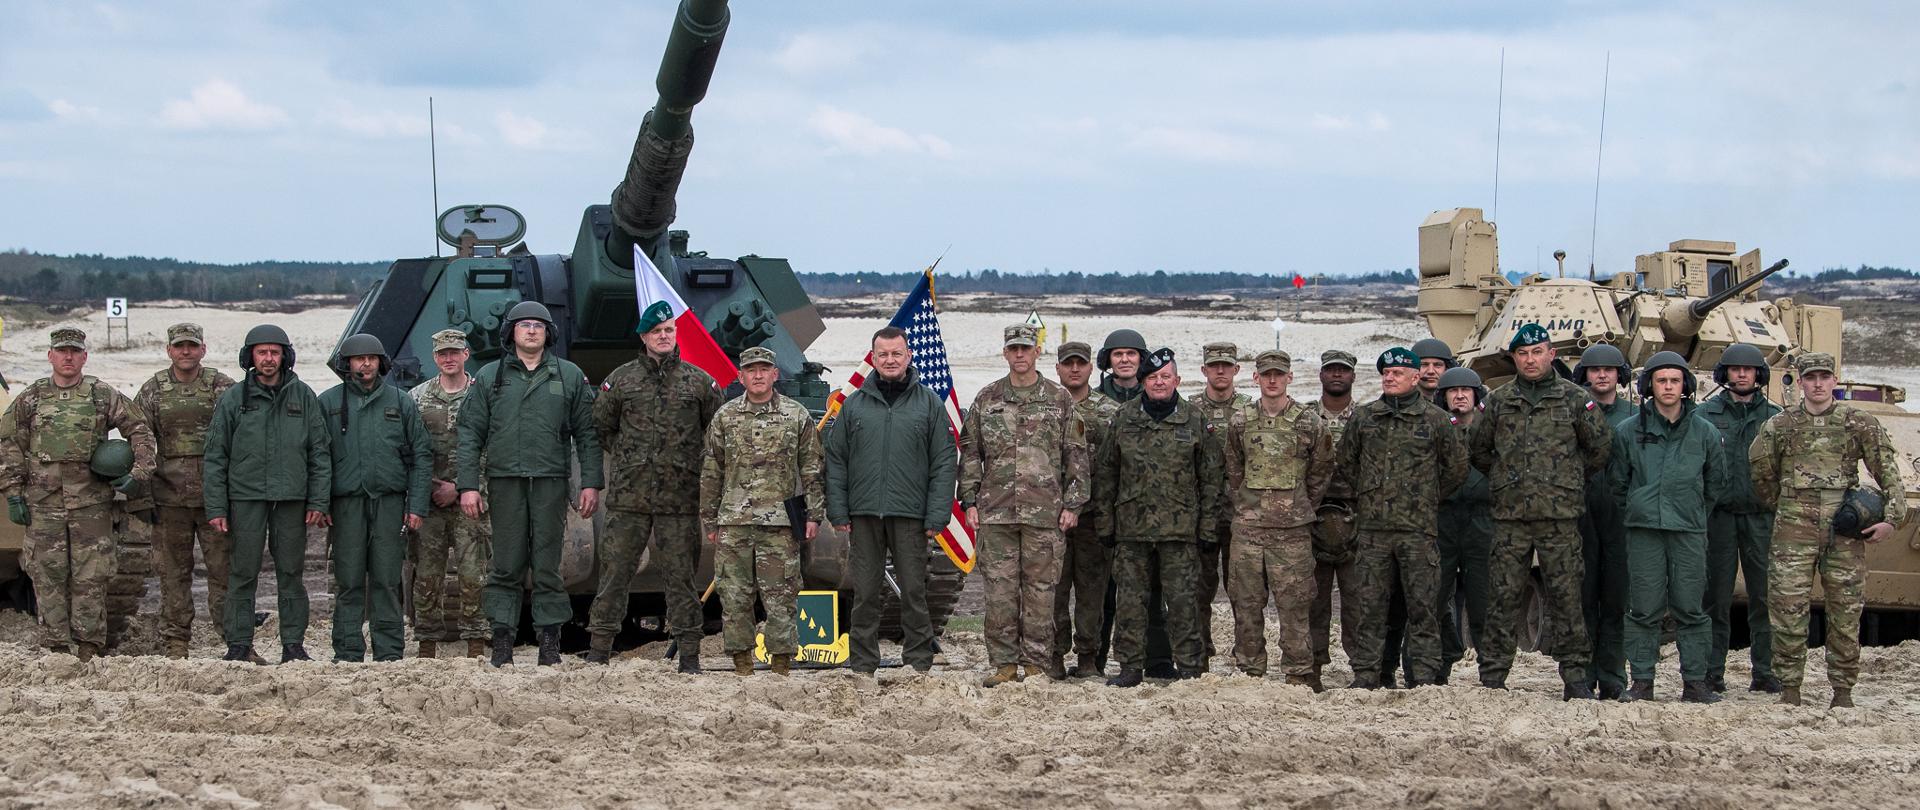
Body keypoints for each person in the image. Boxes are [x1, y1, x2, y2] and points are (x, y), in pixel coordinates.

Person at [1749, 352, 1906, 708]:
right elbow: (1760, 472)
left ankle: (1843, 691)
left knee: (1846, 612)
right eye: (1810, 377)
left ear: (1834, 380)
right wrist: (1787, 506)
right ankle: (1789, 689)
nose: (1818, 384)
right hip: (1794, 525)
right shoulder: (1780, 426)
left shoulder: (1858, 422)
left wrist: (1892, 518)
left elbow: (1887, 470)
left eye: (1824, 377)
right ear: (1800, 382)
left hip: (1845, 529)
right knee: (1787, 609)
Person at [1469, 323, 1613, 698]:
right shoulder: (1499, 401)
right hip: (1511, 518)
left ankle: (1576, 677)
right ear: (1514, 358)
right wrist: (1509, 478)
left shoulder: (1574, 400)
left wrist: (1563, 477)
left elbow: (1598, 449)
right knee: (1502, 596)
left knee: (1567, 597)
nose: (1530, 360)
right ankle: (1493, 675)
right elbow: (1480, 450)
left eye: (1537, 352)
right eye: (1522, 354)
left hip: (1560, 517)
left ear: (1551, 355)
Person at [457, 301, 603, 667]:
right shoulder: (491, 377)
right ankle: (502, 640)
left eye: (539, 325)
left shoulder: (568, 376)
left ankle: (549, 642)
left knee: (548, 564)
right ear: (512, 333)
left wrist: (589, 483)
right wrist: (468, 485)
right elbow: (470, 434)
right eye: (524, 325)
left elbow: (586, 434)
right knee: (505, 564)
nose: (532, 331)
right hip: (505, 482)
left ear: (548, 333)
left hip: (551, 481)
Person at [0, 328, 155, 660]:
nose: (68, 357)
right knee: (47, 573)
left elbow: (138, 428)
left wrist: (138, 474)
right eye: (61, 351)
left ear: (84, 356)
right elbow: (9, 442)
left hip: (91, 503)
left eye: (74, 351)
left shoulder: (101, 394)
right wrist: (13, 492)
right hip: (43, 503)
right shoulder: (33, 397)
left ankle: (89, 646)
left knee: (91, 574)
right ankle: (56, 646)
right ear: (50, 356)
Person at [586, 315, 721, 670]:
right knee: (614, 573)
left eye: (669, 330)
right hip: (629, 498)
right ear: (644, 336)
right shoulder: (622, 379)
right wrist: (632, 457)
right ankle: (599, 648)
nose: (664, 336)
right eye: (656, 331)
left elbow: (714, 429)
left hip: (679, 498)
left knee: (682, 578)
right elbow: (602, 426)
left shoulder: (698, 382)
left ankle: (689, 653)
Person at [960, 324, 1088, 686]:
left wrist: (1074, 504)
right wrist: (969, 500)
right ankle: (1003, 664)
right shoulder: (987, 399)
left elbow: (1075, 457)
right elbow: (971, 453)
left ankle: (1034, 664)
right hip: (996, 513)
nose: (1020, 355)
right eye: (1013, 349)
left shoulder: (1059, 399)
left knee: (1041, 594)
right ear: (1005, 353)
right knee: (999, 593)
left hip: (1044, 514)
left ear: (1036, 353)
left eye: (1026, 349)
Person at [826, 326, 957, 676]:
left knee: (914, 592)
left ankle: (917, 662)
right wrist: (838, 509)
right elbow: (836, 459)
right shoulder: (854, 404)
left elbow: (944, 461)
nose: (889, 360)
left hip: (911, 514)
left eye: (896, 353)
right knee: (865, 593)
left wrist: (937, 515)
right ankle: (863, 665)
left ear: (908, 356)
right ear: (874, 357)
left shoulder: (928, 403)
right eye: (882, 354)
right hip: (865, 512)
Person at [1336, 347, 1468, 688]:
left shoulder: (1435, 420)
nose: (1390, 377)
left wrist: (1424, 499)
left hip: (1417, 532)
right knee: (1370, 609)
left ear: (1414, 377)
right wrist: (1370, 495)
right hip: (1373, 532)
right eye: (1386, 373)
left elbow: (1454, 469)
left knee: (1423, 608)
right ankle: (1367, 675)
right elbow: (1348, 463)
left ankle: (1423, 678)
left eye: (1397, 373)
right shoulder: (1365, 417)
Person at [1096, 348, 1223, 687]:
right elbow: (1107, 474)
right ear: (1143, 382)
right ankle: (1130, 666)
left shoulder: (1194, 419)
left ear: (1177, 380)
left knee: (1184, 603)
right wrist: (1106, 524)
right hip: (1131, 531)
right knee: (1130, 604)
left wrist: (1209, 528)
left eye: (1165, 376)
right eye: (1152, 377)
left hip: (1180, 533)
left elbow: (1212, 479)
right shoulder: (1123, 418)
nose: (1159, 382)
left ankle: (1192, 667)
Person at [204, 323, 330, 664]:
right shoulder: (234, 398)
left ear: (285, 356)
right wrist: (216, 506)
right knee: (242, 573)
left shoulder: (302, 395)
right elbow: (216, 455)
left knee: (291, 572)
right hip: (246, 499)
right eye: (262, 352)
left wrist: (318, 500)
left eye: (275, 352)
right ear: (251, 357)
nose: (269, 359)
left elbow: (319, 451)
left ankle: (293, 645)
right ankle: (239, 644)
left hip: (291, 499)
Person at [1609, 352, 1728, 703]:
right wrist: (1639, 508)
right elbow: (1618, 483)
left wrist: (1691, 511)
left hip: (1688, 531)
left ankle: (1695, 682)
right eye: (1661, 380)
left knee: (1690, 608)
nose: (1668, 387)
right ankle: (1642, 681)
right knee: (1644, 607)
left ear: (1686, 386)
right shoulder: (1629, 431)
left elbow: (1715, 482)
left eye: (1675, 380)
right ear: (1649, 386)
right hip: (1644, 530)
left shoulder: (1704, 431)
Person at [699, 346, 824, 677]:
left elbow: (811, 468)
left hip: (779, 525)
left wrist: (814, 514)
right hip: (734, 522)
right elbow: (712, 470)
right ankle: (742, 664)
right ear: (740, 377)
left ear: (774, 374)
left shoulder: (796, 415)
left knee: (782, 596)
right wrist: (709, 518)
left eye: (763, 369)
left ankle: (781, 664)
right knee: (734, 595)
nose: (757, 375)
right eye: (751, 370)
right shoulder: (725, 417)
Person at [1221, 349, 1333, 687]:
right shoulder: (1240, 421)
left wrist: (1298, 505)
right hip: (1249, 531)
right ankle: (1250, 670)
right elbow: (1233, 468)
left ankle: (1299, 672)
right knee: (1247, 604)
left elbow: (1321, 470)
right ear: (1255, 378)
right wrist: (1252, 506)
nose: (1272, 380)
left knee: (1295, 605)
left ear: (1289, 378)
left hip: (1292, 533)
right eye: (1266, 374)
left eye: (1278, 374)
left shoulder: (1309, 422)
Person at [319, 334, 431, 663]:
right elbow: (317, 457)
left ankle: (389, 652)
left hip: (389, 503)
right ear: (347, 363)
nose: (365, 363)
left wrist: (417, 506)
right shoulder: (328, 403)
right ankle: (348, 651)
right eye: (358, 358)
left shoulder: (400, 402)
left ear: (381, 362)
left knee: (385, 580)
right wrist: (320, 503)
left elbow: (421, 455)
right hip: (346, 504)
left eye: (371, 358)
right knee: (349, 580)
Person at [134, 323, 236, 659]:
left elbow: (243, 434)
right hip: (169, 498)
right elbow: (139, 439)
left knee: (224, 572)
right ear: (169, 351)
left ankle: (233, 639)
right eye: (180, 346)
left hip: (215, 500)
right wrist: (143, 492)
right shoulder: (153, 391)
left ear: (203, 349)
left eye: (192, 346)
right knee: (173, 574)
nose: (186, 352)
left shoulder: (222, 387)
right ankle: (176, 642)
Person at [1699, 343, 1782, 694]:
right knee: (1715, 597)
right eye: (1735, 369)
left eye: (1749, 369)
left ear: (1759, 374)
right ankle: (1711, 672)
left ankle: (1765, 671)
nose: (1742, 374)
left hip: (1761, 517)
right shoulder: (1705, 414)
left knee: (1764, 597)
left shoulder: (1776, 417)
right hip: (1718, 517)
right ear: (1725, 374)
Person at [408, 329, 491, 659]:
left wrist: (461, 488)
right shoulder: (417, 398)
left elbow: (490, 448)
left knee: (474, 574)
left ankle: (474, 644)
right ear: (435, 358)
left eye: (455, 352)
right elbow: (412, 449)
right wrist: (431, 487)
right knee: (428, 574)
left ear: (466, 355)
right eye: (443, 353)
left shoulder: (480, 395)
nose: (449, 358)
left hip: (471, 500)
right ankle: (427, 643)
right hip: (431, 501)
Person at [1051, 340, 1119, 678]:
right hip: (1051, 517)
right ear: (1058, 368)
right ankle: (1053, 655)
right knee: (1053, 591)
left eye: (1080, 363)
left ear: (1091, 368)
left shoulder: (1109, 411)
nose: (1074, 369)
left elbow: (1116, 465)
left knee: (1092, 592)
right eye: (1068, 364)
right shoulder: (1047, 406)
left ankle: (1089, 658)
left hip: (1093, 516)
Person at [1572, 342, 1634, 699]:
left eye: (1608, 370)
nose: (1601, 375)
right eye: (1595, 370)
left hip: (1619, 515)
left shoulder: (1634, 416)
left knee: (1615, 600)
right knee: (1580, 599)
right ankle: (1580, 675)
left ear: (1619, 375)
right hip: (1580, 512)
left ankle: (1612, 676)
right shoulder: (1576, 409)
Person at [1191, 341, 1251, 663]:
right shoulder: (1189, 410)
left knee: (1243, 590)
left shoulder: (1250, 410)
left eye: (1226, 365)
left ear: (1236, 370)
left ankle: (1245, 655)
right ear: (1204, 371)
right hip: (1202, 514)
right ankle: (1199, 653)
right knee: (1199, 587)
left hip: (1241, 514)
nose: (1220, 371)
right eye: (1214, 366)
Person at [1433, 367, 1493, 683]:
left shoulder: (1490, 428)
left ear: (1475, 395)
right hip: (1443, 518)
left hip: (1482, 519)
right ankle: (1438, 666)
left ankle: (1491, 672)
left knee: (1483, 600)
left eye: (1465, 390)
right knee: (1436, 598)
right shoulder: (1438, 428)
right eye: (1452, 390)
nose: (1459, 395)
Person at [1308, 349, 1361, 685]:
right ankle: (1312, 667)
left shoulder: (1365, 417)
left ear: (1353, 376)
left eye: (1343, 370)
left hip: (1355, 518)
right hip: (1313, 517)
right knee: (1313, 601)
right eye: (1331, 370)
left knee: (1358, 601)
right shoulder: (1305, 416)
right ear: (1322, 376)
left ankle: (1363, 667)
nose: (1337, 375)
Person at [1094, 329, 1148, 402]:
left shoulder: (1153, 397)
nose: (1124, 360)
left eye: (1131, 353)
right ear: (1108, 360)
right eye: (1118, 354)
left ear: (1142, 359)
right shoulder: (1093, 399)